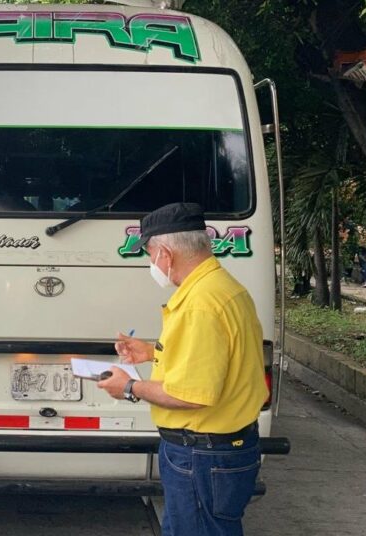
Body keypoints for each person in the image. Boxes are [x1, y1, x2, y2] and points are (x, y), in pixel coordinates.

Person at [97, 202, 268, 536]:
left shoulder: (199, 305)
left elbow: (190, 395)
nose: (151, 263)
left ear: (165, 253)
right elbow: (218, 360)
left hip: (202, 455)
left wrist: (128, 387)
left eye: (149, 254)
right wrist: (150, 351)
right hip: (220, 450)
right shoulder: (223, 288)